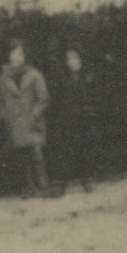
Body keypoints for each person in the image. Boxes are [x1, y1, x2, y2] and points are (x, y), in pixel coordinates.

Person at [0, 38, 51, 197]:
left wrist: (35, 113)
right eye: (14, 54)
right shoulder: (3, 78)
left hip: (32, 121)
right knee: (23, 156)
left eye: (20, 54)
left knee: (36, 152)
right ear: (9, 56)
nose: (17, 57)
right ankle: (30, 187)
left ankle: (43, 185)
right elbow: (0, 101)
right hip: (16, 123)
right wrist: (6, 117)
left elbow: (43, 98)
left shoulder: (34, 75)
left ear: (24, 56)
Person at [50, 46, 100, 192]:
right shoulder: (62, 78)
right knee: (66, 151)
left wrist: (91, 113)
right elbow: (57, 100)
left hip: (86, 119)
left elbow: (96, 97)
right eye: (69, 59)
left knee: (87, 149)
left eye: (75, 58)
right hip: (68, 120)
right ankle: (61, 184)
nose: (72, 62)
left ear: (81, 59)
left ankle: (87, 180)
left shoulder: (89, 76)